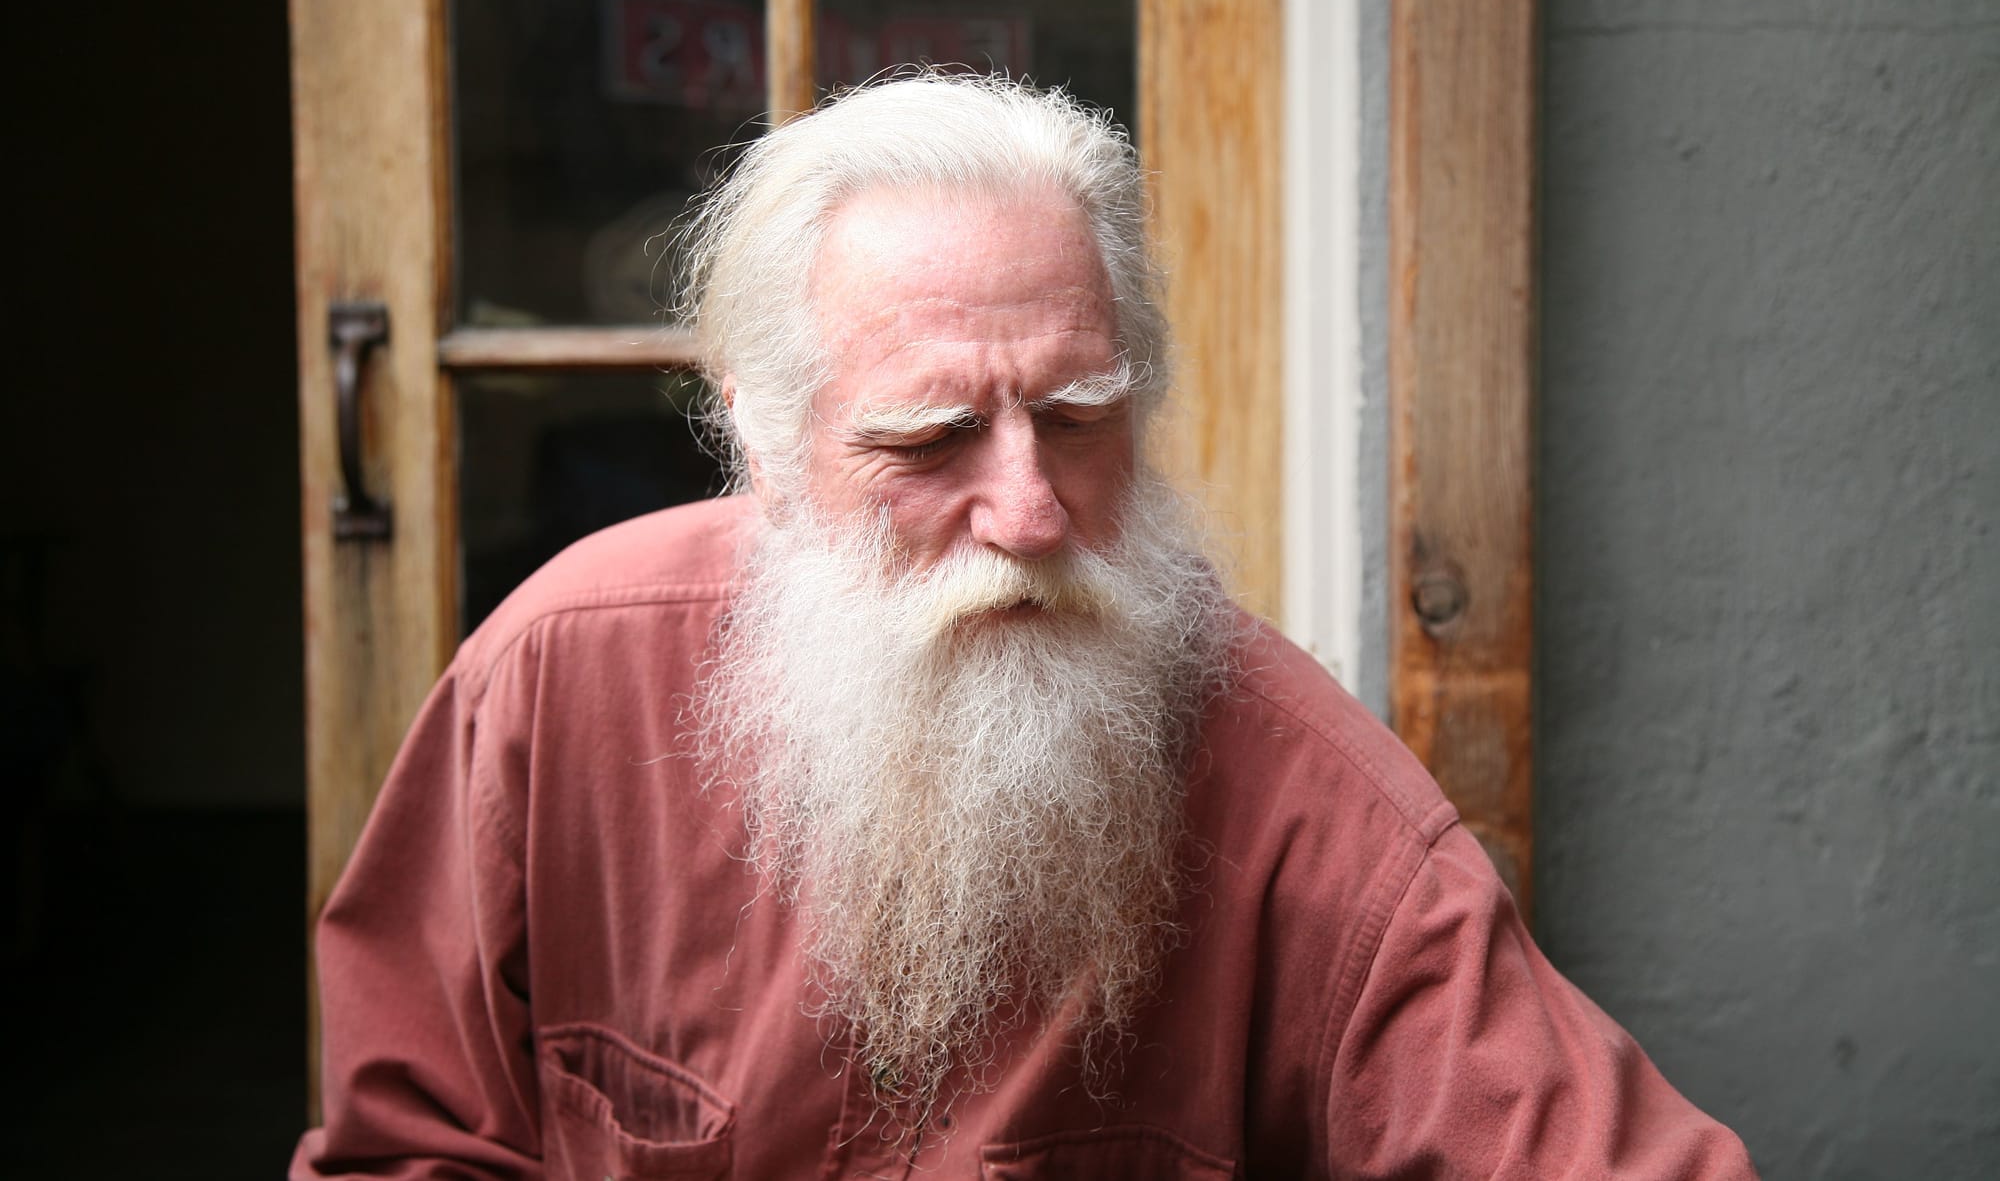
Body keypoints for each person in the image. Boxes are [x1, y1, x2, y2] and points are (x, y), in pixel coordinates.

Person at [293, 74, 1757, 1179]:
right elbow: (405, 1147)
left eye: (1077, 418)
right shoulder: (556, 680)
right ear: (765, 439)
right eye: (930, 439)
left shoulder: (1309, 802)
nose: (1032, 511)